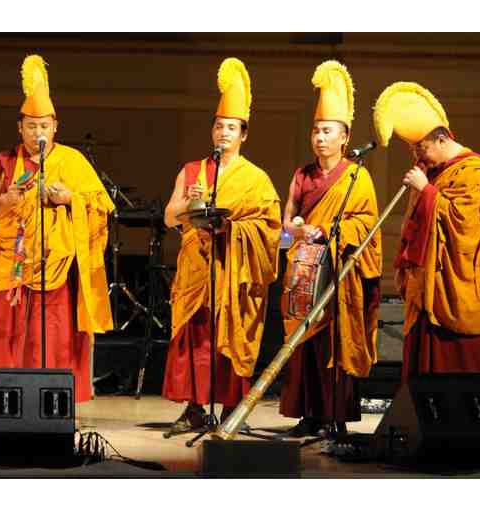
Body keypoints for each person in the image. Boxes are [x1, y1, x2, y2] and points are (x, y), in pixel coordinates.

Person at [0, 55, 114, 403]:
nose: (38, 132)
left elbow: (102, 207)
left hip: (57, 265)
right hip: (13, 265)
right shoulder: (4, 162)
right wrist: (6, 200)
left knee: (53, 335)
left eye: (44, 126)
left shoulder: (72, 161)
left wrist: (70, 199)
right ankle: (8, 402)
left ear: (55, 127)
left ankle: (53, 402)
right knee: (10, 334)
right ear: (19, 127)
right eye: (31, 126)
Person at [162, 57, 282, 432]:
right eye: (218, 126)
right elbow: (169, 217)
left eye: (231, 127)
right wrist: (189, 204)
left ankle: (232, 410)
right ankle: (195, 408)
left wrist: (232, 229)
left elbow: (270, 227)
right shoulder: (192, 171)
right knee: (196, 339)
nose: (223, 133)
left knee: (231, 336)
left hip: (235, 270)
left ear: (243, 135)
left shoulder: (256, 179)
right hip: (197, 270)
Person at [373, 82, 480, 381]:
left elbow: (465, 224)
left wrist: (427, 191)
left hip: (454, 284)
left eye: (421, 148)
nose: (418, 157)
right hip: (424, 283)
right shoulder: (433, 173)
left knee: (452, 375)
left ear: (442, 140)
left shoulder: (475, 172)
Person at [279, 61, 382, 437]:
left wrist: (329, 233)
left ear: (344, 137)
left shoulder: (357, 176)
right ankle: (308, 415)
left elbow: (367, 223)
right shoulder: (302, 175)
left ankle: (335, 417)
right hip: (304, 272)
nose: (319, 138)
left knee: (333, 344)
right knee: (305, 347)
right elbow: (286, 225)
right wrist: (297, 231)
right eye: (316, 130)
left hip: (339, 275)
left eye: (327, 131)